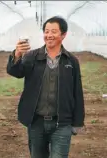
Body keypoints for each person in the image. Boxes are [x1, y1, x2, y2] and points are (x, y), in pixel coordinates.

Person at [6, 16, 85, 158]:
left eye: (53, 31)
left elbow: (77, 92)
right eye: (46, 31)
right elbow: (15, 72)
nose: (49, 35)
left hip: (62, 123)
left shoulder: (71, 61)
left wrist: (78, 121)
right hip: (36, 122)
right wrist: (17, 54)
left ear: (63, 35)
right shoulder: (32, 56)